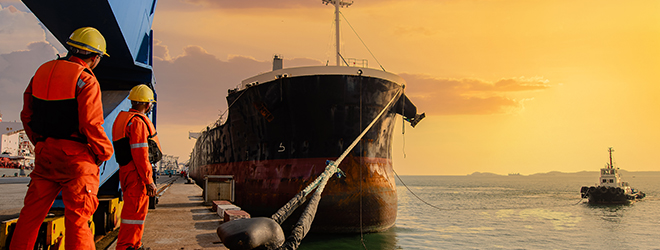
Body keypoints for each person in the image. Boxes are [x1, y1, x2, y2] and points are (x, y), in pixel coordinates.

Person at [12, 27, 113, 250]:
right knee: (78, 221)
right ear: (95, 57)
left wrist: (39, 143)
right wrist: (104, 152)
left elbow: (26, 115)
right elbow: (91, 124)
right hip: (76, 159)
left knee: (30, 216)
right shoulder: (86, 80)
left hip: (45, 153)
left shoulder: (41, 71)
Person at [113, 84, 162, 250]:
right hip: (137, 174)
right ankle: (128, 246)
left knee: (132, 213)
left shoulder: (122, 120)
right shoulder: (138, 123)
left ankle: (133, 244)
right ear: (147, 104)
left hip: (126, 171)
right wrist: (149, 180)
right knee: (135, 214)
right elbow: (140, 155)